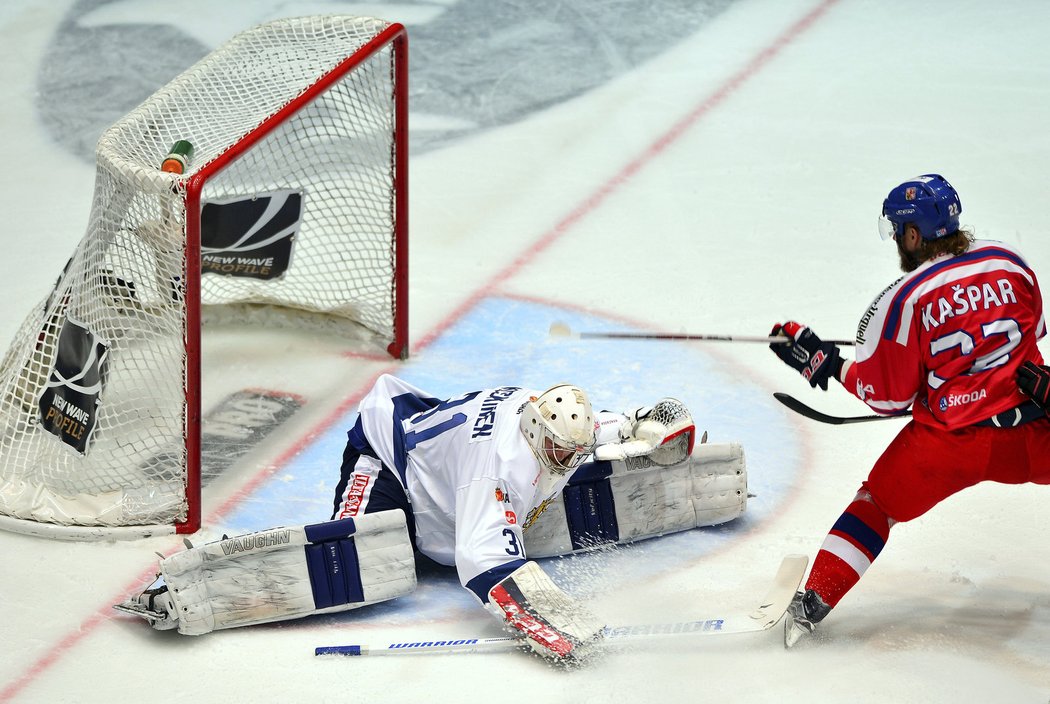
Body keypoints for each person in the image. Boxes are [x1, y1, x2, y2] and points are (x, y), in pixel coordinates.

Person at [117, 374, 740, 663]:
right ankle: (184, 590)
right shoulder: (496, 471)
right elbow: (480, 557)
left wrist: (654, 431)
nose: (564, 461)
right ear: (533, 435)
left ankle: (430, 537)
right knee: (364, 552)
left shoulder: (553, 422)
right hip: (388, 461)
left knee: (464, 538)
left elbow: (612, 427)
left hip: (441, 464)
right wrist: (546, 618)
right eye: (557, 454)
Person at [769, 174, 1050, 647]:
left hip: (948, 446)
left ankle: (813, 601)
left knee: (876, 505)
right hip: (1032, 430)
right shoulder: (1011, 262)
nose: (898, 242)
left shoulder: (903, 298)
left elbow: (887, 397)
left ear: (914, 234)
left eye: (899, 232)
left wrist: (830, 363)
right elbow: (1032, 334)